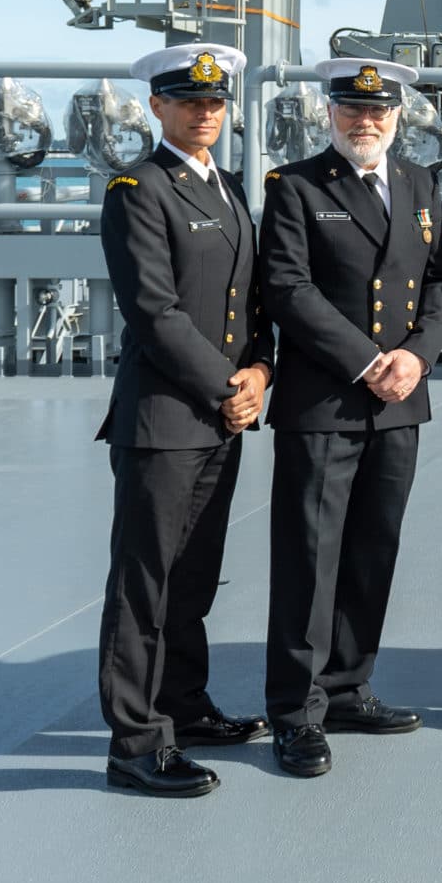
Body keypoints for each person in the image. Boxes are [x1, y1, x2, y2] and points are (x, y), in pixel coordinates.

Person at [256, 57, 442, 777]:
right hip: (326, 400)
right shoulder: (295, 185)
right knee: (310, 558)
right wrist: (369, 360)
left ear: (397, 116)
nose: (365, 121)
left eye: (378, 111)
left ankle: (346, 686)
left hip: (400, 401)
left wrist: (417, 358)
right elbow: (287, 287)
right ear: (330, 114)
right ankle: (296, 710)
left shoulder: (419, 183)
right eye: (352, 109)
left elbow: (439, 285)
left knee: (374, 549)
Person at [96, 43, 273, 799]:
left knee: (194, 576)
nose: (205, 112)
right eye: (189, 100)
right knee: (145, 581)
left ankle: (185, 705)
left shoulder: (226, 187)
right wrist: (228, 385)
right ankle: (136, 741)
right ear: (157, 106)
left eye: (215, 101)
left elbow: (253, 299)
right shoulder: (138, 189)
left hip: (222, 416)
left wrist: (260, 372)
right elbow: (155, 311)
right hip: (165, 417)